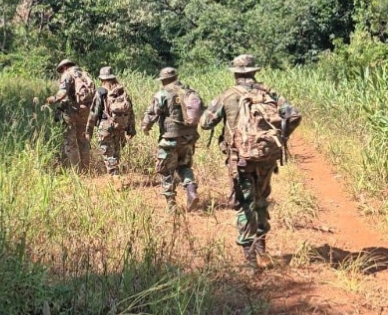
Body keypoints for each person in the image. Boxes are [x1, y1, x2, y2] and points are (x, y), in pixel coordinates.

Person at [200, 54, 302, 276]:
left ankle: (250, 262)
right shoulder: (269, 93)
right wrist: (281, 139)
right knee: (261, 199)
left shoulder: (228, 96)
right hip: (266, 158)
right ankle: (262, 250)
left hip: (241, 160)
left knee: (245, 205)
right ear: (254, 72)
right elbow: (294, 116)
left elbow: (206, 123)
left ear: (235, 73)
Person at [141, 67, 203, 213]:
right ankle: (191, 190)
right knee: (184, 167)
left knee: (166, 170)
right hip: (188, 138)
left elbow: (152, 113)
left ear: (163, 80)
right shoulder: (189, 91)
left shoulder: (163, 93)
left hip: (170, 139)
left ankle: (171, 206)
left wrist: (146, 126)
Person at [85, 66, 136, 189]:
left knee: (109, 156)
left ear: (102, 79)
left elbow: (93, 113)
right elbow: (131, 112)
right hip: (120, 128)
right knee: (116, 154)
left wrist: (88, 131)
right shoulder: (122, 91)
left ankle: (116, 177)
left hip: (105, 128)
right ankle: (115, 175)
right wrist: (131, 129)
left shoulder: (101, 92)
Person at [45, 59, 95, 172]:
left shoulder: (67, 74)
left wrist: (52, 99)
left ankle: (77, 172)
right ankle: (86, 170)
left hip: (72, 111)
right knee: (83, 140)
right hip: (86, 110)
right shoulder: (84, 74)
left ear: (64, 67)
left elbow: (62, 93)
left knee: (70, 141)